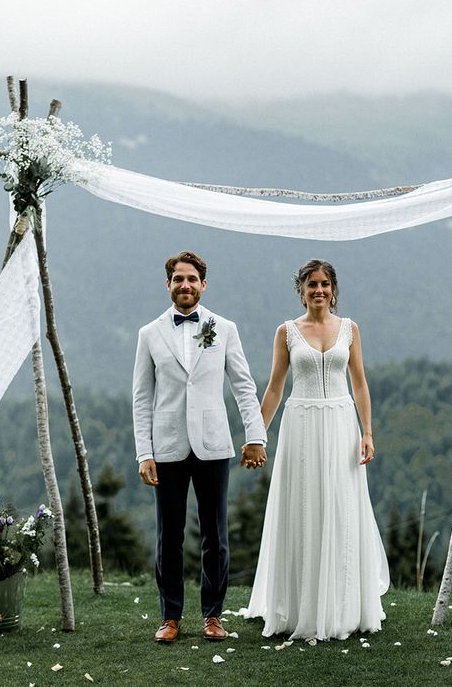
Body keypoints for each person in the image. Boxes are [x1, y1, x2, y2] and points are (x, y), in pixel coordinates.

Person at [246, 259, 389, 640]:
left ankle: (342, 604)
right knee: (304, 507)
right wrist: (256, 433)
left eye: (325, 284)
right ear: (301, 289)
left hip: (342, 424)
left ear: (334, 289)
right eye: (312, 284)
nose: (319, 290)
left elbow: (359, 383)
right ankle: (299, 606)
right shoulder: (287, 332)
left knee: (341, 508)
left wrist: (368, 432)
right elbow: (275, 387)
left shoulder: (350, 329)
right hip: (301, 426)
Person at [133, 250, 267, 644]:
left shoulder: (223, 328)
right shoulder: (149, 333)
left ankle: (213, 616)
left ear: (203, 284)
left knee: (215, 535)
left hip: (213, 446)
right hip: (168, 447)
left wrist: (255, 435)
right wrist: (145, 452)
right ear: (168, 284)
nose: (185, 285)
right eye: (178, 279)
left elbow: (243, 385)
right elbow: (141, 398)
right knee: (168, 536)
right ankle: (170, 617)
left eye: (192, 279)